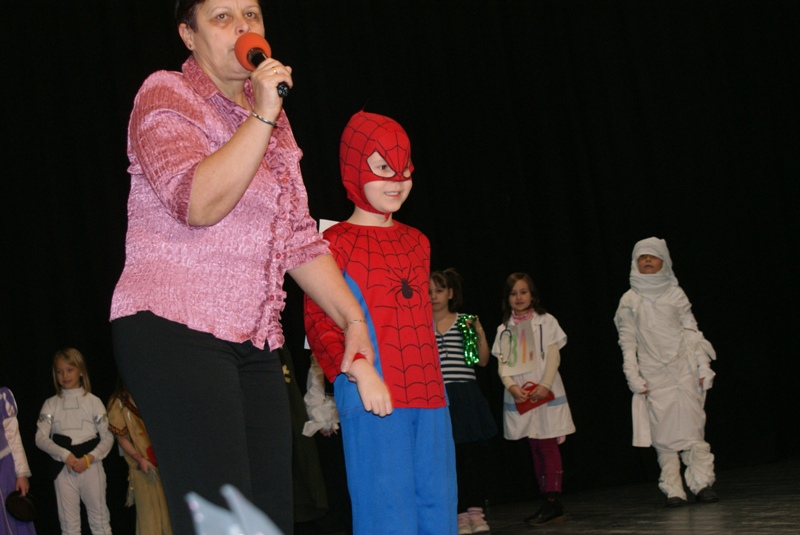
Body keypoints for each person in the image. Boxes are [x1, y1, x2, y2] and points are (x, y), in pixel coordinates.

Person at [109, 1, 374, 533]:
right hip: (172, 325)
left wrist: (353, 319)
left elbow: (298, 238)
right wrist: (263, 116)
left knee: (270, 516)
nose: (241, 28)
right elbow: (195, 202)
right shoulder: (166, 93)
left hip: (253, 339)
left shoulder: (271, 117)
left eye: (250, 15)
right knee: (222, 517)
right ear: (188, 35)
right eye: (222, 17)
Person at [304, 111, 457, 535]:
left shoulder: (418, 241)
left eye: (405, 168)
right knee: (386, 510)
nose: (398, 179)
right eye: (383, 167)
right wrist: (359, 368)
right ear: (355, 166)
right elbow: (318, 321)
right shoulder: (331, 243)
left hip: (430, 393)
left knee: (439, 505)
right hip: (371, 390)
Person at [614, 237, 718, 507]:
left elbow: (691, 331)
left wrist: (703, 365)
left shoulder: (675, 293)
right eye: (642, 256)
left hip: (683, 369)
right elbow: (627, 342)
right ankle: (673, 488)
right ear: (635, 263)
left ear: (664, 261)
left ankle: (702, 483)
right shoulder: (629, 300)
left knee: (693, 428)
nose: (647, 260)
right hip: (654, 374)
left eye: (652, 255)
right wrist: (633, 375)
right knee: (664, 433)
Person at [491, 273, 575, 526]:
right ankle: (548, 501)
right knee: (535, 446)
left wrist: (545, 385)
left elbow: (553, 356)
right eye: (513, 293)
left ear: (532, 295)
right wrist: (512, 386)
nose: (518, 297)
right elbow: (503, 364)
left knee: (547, 443)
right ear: (507, 298)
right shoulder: (504, 329)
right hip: (522, 394)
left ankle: (552, 501)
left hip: (544, 392)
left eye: (523, 292)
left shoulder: (546, 322)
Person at [429, 269, 496, 534]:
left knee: (472, 458)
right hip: (439, 398)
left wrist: (479, 333)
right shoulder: (421, 325)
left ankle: (476, 513)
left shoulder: (464, 321)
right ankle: (458, 515)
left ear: (450, 293)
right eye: (429, 292)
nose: (434, 296)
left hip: (466, 394)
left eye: (439, 290)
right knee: (449, 460)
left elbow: (481, 361)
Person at [34, 348, 114, 535]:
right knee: (69, 527)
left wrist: (89, 458)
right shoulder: (51, 404)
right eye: (60, 371)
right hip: (64, 469)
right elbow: (40, 437)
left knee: (100, 522)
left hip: (91, 467)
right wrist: (64, 455)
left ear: (81, 371)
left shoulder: (94, 402)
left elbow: (108, 436)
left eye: (69, 370)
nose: (65, 376)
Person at [107, 380, 172, 534]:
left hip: (162, 465)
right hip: (141, 468)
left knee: (168, 517)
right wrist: (139, 459)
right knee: (149, 518)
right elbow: (122, 438)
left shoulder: (151, 394)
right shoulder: (119, 402)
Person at [1, 387, 36, 535]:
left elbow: (14, 437)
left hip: (3, 468)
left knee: (8, 516)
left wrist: (21, 474)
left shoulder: (2, 397)